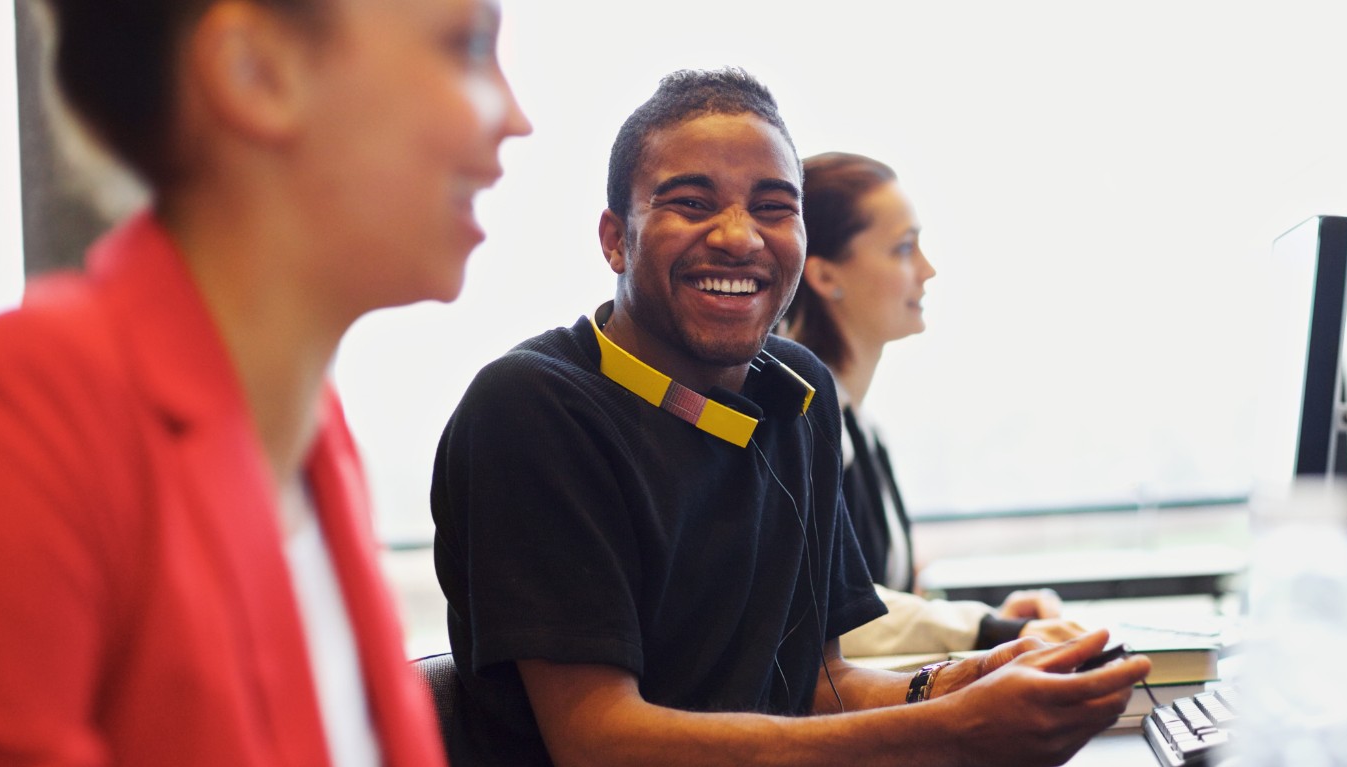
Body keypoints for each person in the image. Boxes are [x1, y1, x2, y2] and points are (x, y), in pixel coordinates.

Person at [431, 68, 1150, 767]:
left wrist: (971, 676)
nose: (740, 236)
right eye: (690, 201)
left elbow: (814, 687)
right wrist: (951, 733)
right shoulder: (534, 409)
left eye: (774, 206)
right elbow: (601, 740)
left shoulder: (799, 391)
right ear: (615, 237)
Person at [0, 0, 532, 764]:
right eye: (468, 46)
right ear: (256, 72)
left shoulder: (313, 435)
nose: (515, 117)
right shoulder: (39, 405)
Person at [780, 152, 1086, 656]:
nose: (928, 269)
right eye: (903, 248)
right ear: (825, 275)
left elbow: (886, 606)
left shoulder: (862, 426)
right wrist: (984, 630)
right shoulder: (799, 426)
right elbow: (833, 614)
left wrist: (998, 622)